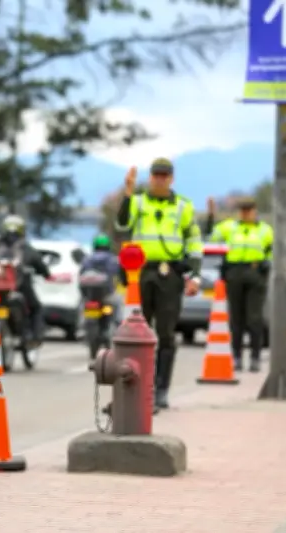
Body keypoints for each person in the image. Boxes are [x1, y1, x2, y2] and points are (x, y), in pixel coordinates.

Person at [115, 158, 203, 412]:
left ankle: (160, 389)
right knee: (136, 331)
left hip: (170, 274)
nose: (160, 179)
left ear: (171, 178)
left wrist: (194, 276)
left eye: (165, 175)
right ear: (150, 177)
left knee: (165, 334)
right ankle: (138, 387)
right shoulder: (139, 202)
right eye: (156, 175)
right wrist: (128, 193)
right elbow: (121, 224)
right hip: (141, 273)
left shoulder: (183, 207)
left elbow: (194, 242)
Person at [206, 196, 273, 373]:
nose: (246, 213)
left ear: (255, 211)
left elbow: (274, 251)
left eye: (249, 210)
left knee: (254, 319)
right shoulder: (230, 227)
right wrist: (211, 215)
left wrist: (267, 266)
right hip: (234, 273)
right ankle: (236, 356)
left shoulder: (265, 230)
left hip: (255, 274)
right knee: (236, 319)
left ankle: (255, 357)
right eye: (243, 210)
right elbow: (211, 236)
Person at [0, 214, 51, 345]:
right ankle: (34, 337)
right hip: (20, 287)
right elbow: (40, 266)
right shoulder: (25, 247)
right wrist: (46, 274)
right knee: (36, 308)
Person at [80, 233, 124, 324]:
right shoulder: (113, 259)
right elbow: (118, 272)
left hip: (89, 295)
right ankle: (118, 323)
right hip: (107, 295)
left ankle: (82, 321)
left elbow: (81, 273)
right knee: (118, 302)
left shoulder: (87, 259)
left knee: (83, 304)